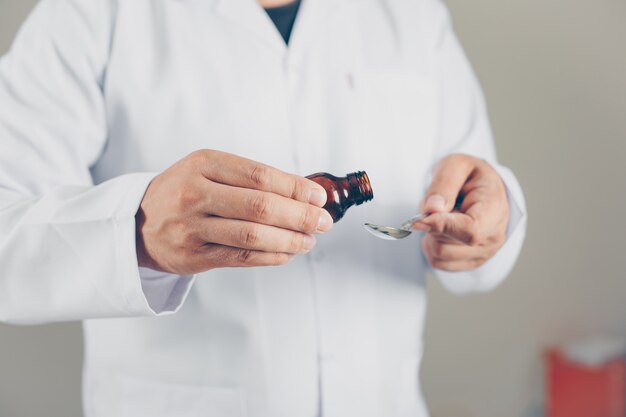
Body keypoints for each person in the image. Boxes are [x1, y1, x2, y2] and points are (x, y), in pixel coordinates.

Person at [0, 0, 527, 416]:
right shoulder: (92, 13)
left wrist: (489, 218)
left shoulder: (414, 18)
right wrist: (137, 230)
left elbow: (477, 212)